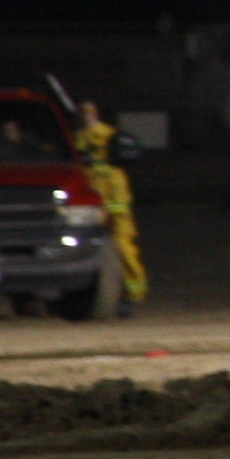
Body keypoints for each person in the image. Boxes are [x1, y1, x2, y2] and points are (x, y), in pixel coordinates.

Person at [68, 94, 149, 311]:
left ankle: (134, 295)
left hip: (114, 202)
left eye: (90, 112)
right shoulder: (75, 139)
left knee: (123, 247)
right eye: (83, 112)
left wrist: (114, 209)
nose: (87, 116)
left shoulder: (109, 136)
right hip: (90, 202)